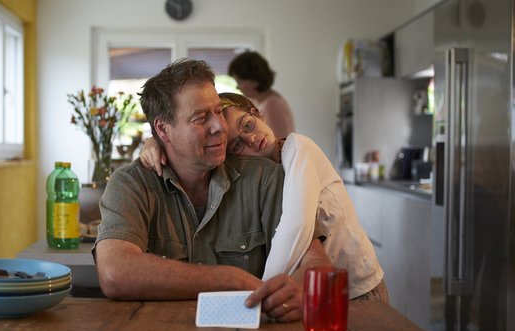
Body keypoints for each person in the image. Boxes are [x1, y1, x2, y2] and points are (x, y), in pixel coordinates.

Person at [93, 59, 332, 322]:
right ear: (163, 129)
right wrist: (231, 279)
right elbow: (115, 272)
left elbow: (316, 263)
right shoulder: (131, 184)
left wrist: (299, 290)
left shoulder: (264, 178)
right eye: (201, 118)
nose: (219, 126)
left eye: (218, 112)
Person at [140, 92, 388, 302]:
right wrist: (156, 143)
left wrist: (258, 293)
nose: (251, 139)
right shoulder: (262, 179)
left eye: (248, 125)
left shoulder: (299, 149)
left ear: (257, 113)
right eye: (237, 144)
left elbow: (296, 228)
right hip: (323, 292)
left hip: (359, 287)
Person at [228, 51, 295, 138]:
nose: (237, 87)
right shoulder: (257, 100)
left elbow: (282, 141)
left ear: (254, 80)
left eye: (240, 81)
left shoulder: (272, 104)